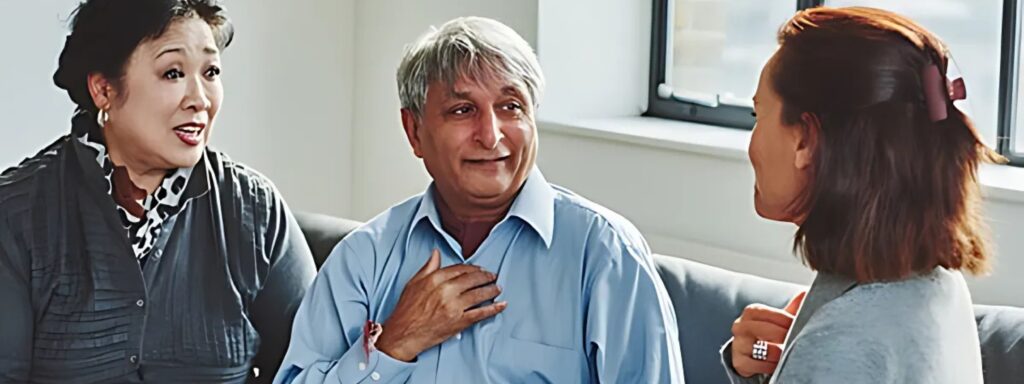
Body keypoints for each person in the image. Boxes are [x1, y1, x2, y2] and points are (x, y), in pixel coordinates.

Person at [274, 16, 685, 384]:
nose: (491, 136)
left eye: (511, 107)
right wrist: (394, 345)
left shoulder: (605, 254)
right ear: (413, 130)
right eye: (462, 110)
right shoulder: (365, 257)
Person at [0, 1, 316, 382]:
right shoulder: (16, 213)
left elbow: (308, 366)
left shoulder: (255, 210)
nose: (200, 99)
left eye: (211, 71)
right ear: (104, 89)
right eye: (172, 73)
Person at [722, 6, 999, 384]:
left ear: (805, 139)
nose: (751, 143)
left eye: (759, 115)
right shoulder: (938, 287)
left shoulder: (841, 342)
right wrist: (766, 368)